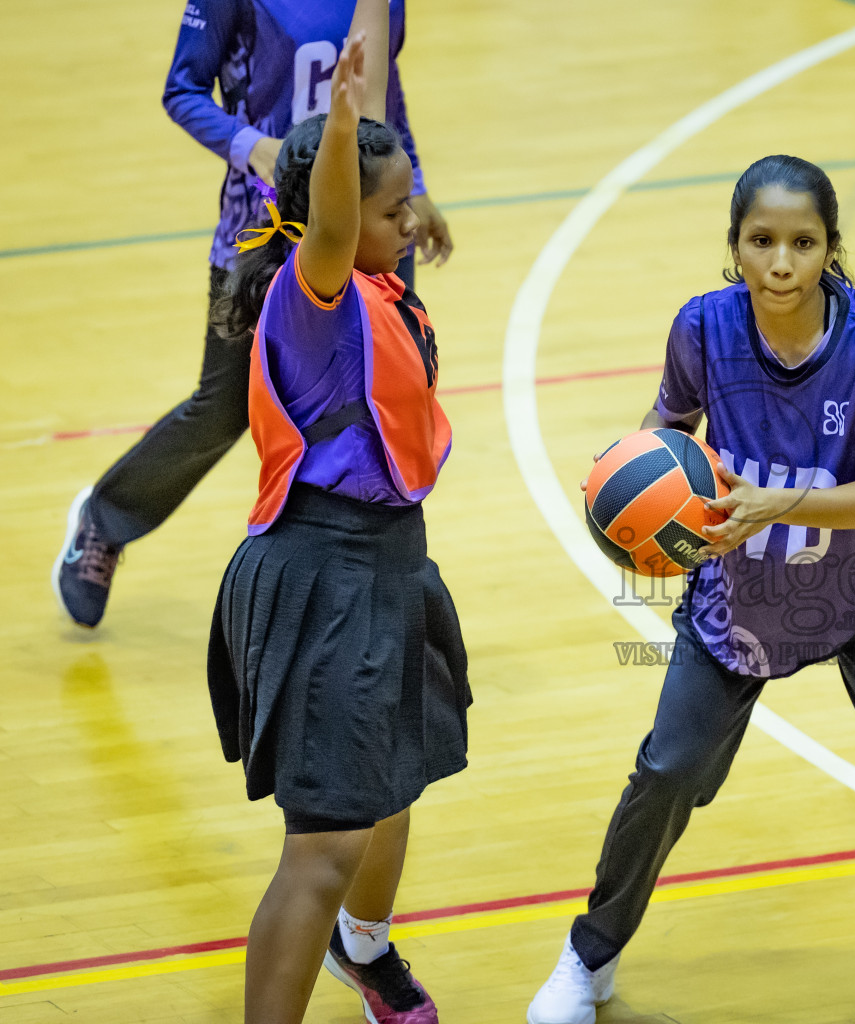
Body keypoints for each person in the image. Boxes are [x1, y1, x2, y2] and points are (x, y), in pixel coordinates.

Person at [528, 155, 855, 1024]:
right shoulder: (703, 328)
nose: (781, 260)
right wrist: (630, 479)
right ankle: (588, 955)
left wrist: (779, 501)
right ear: (735, 248)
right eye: (762, 241)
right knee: (669, 771)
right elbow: (668, 424)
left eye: (802, 242)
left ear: (830, 249)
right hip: (744, 583)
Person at [204, 8, 467, 1022]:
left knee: (393, 783)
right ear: (338, 213)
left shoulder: (377, 278)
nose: (411, 227)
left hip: (389, 560)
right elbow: (330, 217)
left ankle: (365, 951)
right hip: (322, 574)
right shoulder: (316, 291)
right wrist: (345, 117)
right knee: (321, 846)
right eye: (394, 212)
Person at [52, 0, 453, 628]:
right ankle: (105, 519)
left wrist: (414, 187)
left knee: (375, 396)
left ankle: (368, 576)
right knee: (223, 405)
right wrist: (250, 145)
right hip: (263, 236)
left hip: (370, 233)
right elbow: (182, 90)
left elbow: (375, 89)